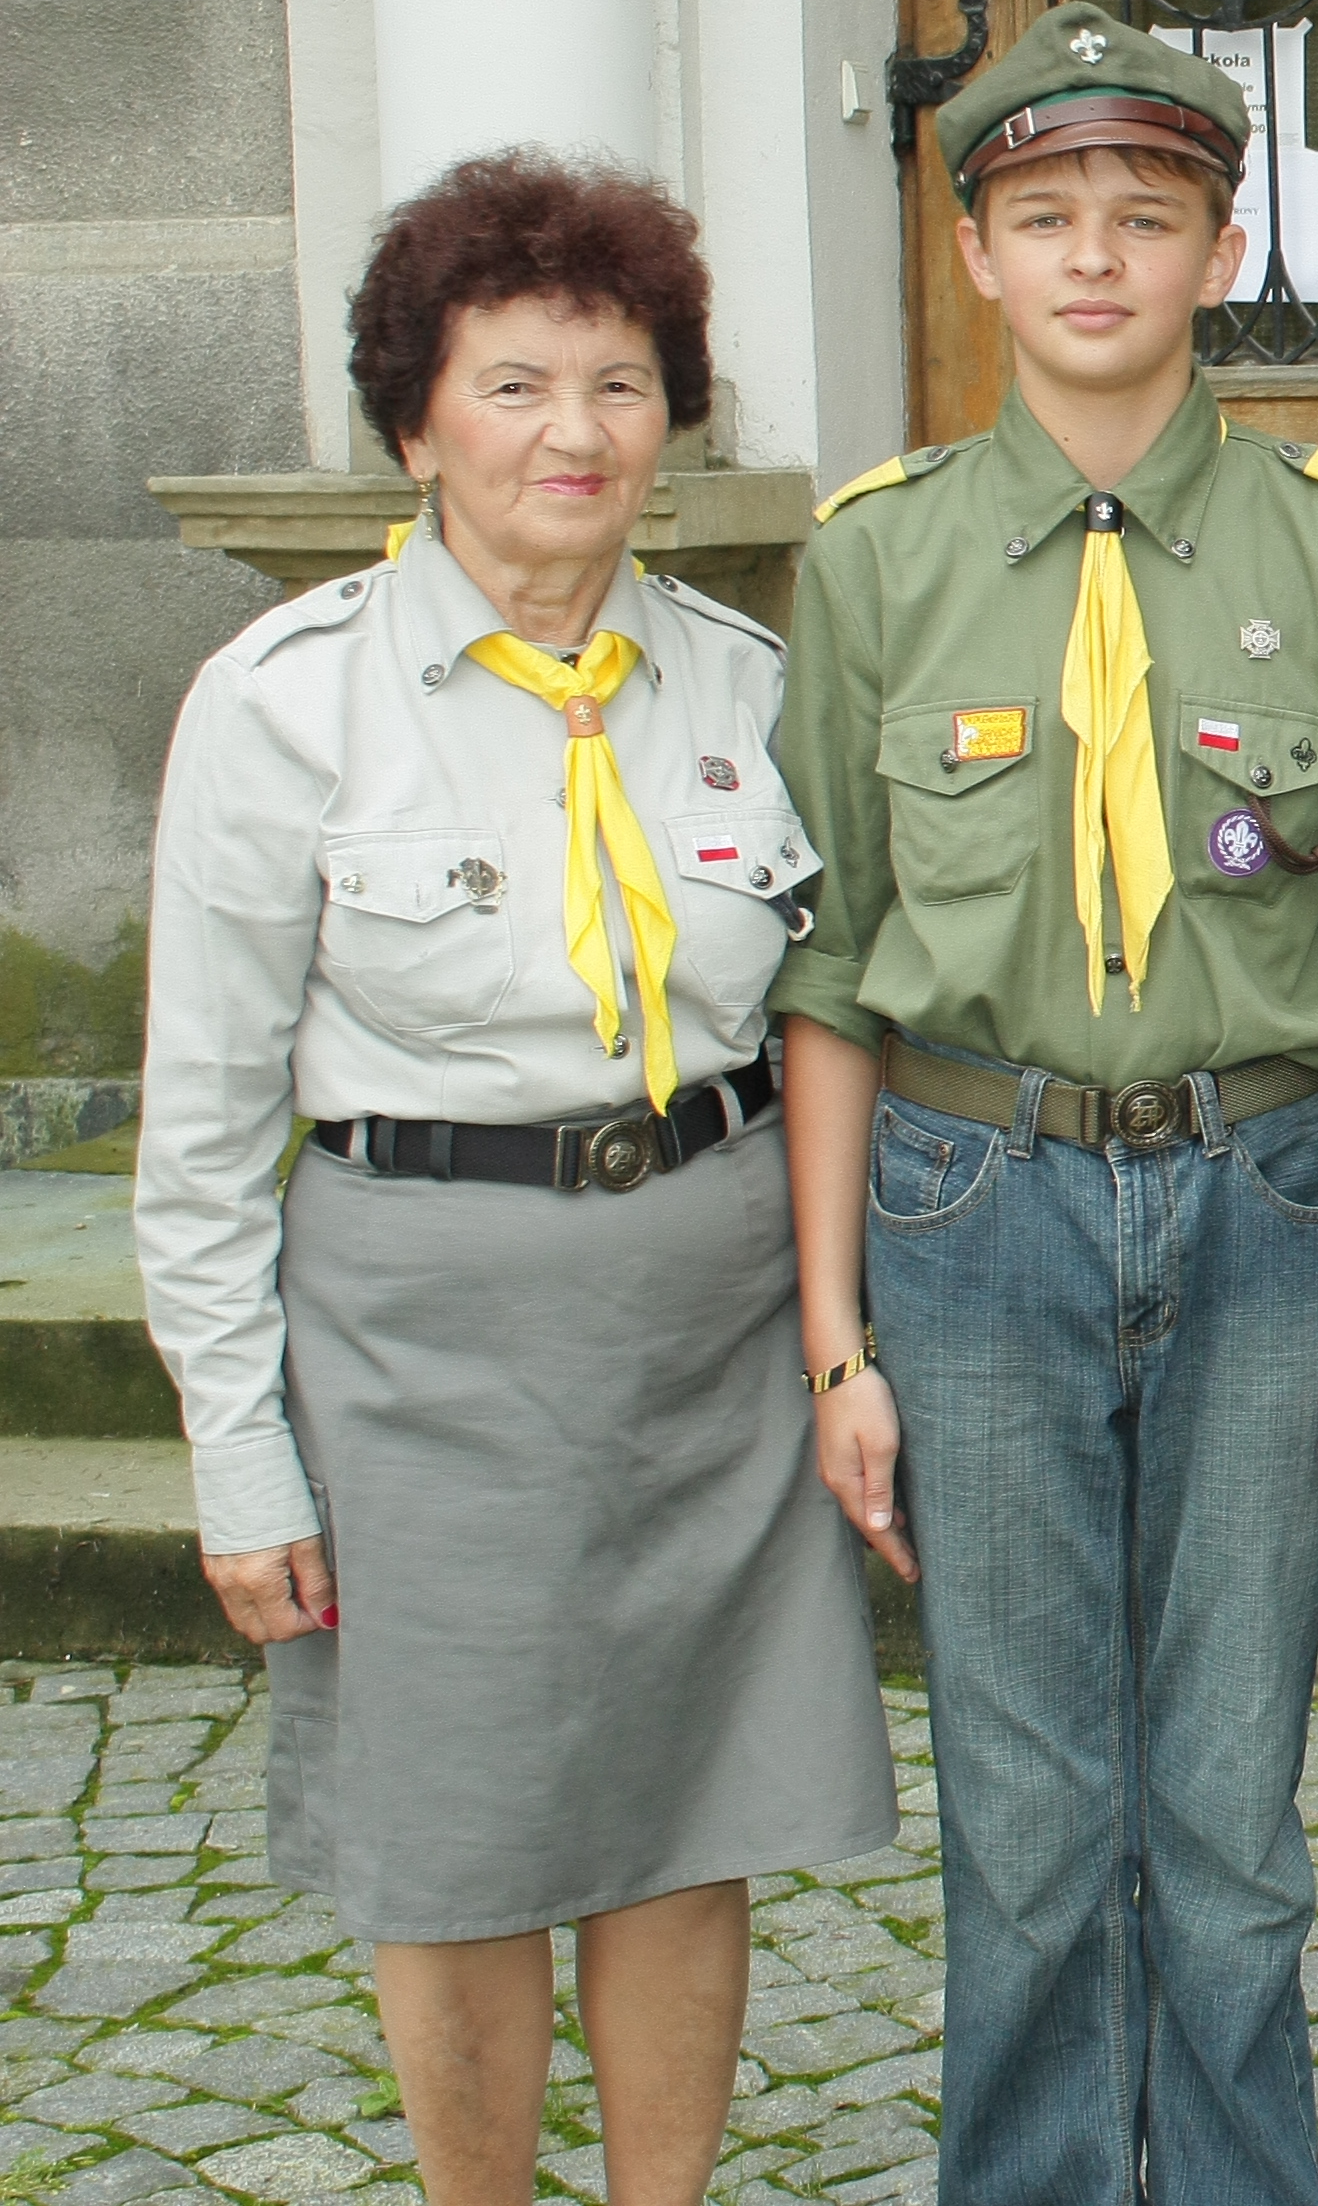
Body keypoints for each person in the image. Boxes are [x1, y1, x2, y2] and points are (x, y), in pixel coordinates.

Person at [770, 4, 1318, 2205]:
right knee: (1021, 1800)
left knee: (1226, 1791)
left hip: (1268, 1208)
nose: (1096, 255)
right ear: (974, 250)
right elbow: (827, 970)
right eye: (1045, 215)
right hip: (969, 1206)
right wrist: (835, 1336)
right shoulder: (876, 559)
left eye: (1146, 214)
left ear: (1224, 244)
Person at [134, 151, 895, 2206]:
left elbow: (825, 1019)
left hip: (709, 1315)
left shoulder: (745, 685)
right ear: (415, 418)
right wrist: (239, 1450)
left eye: (624, 383)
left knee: (685, 1802)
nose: (576, 432)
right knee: (452, 1824)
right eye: (517, 382)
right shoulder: (286, 704)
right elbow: (201, 1133)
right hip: (421, 1328)